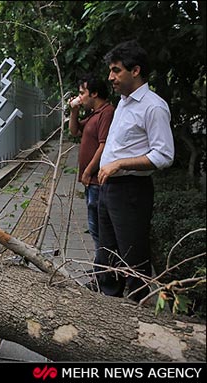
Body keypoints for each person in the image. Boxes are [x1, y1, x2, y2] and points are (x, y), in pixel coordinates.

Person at [96, 40, 175, 302]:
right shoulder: (124, 102)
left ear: (136, 71)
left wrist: (120, 164)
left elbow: (163, 155)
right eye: (111, 70)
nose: (111, 77)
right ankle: (109, 303)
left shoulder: (153, 106)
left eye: (116, 70)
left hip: (131, 191)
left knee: (132, 254)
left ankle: (138, 309)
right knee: (107, 253)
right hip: (109, 189)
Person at [68, 74, 115, 252]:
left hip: (97, 181)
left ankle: (104, 272)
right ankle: (101, 270)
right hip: (91, 182)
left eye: (82, 93)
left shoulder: (107, 113)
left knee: (99, 231)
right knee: (95, 230)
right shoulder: (94, 114)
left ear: (94, 93)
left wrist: (88, 172)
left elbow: (103, 146)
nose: (80, 97)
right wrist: (74, 111)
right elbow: (74, 131)